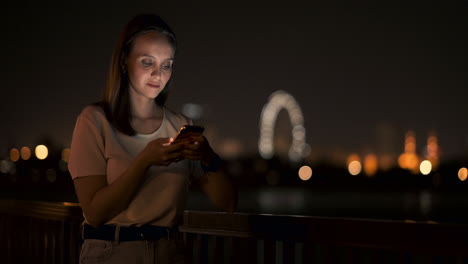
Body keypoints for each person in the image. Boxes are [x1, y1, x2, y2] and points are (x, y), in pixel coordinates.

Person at [68, 13, 237, 264]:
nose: (158, 74)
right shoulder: (95, 121)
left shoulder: (179, 126)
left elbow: (229, 202)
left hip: (170, 252)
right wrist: (144, 161)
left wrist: (208, 157)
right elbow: (94, 213)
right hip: (112, 252)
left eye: (166, 64)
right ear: (124, 61)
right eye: (147, 62)